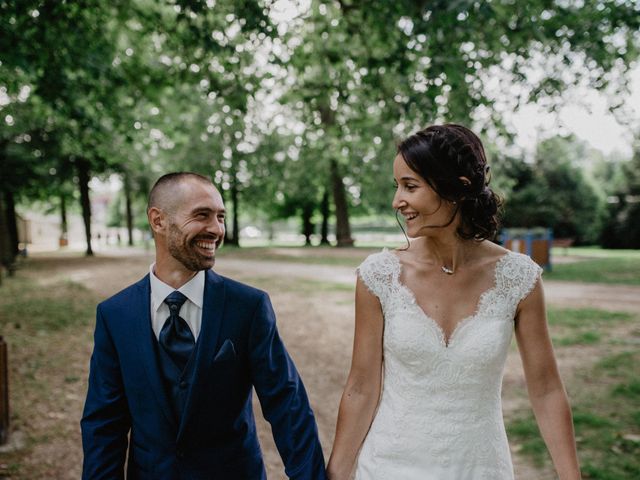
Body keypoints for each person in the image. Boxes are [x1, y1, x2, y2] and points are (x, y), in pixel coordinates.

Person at [327, 125, 581, 479]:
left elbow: (547, 388)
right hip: (388, 466)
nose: (397, 201)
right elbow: (360, 386)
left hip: (481, 467)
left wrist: (571, 476)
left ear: (458, 187)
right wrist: (335, 473)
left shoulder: (519, 279)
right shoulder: (379, 275)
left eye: (410, 186)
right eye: (397, 186)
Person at [81, 172, 327, 479]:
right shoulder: (115, 315)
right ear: (158, 221)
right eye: (202, 215)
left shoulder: (248, 307)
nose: (216, 229)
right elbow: (104, 424)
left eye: (221, 217)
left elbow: (287, 406)